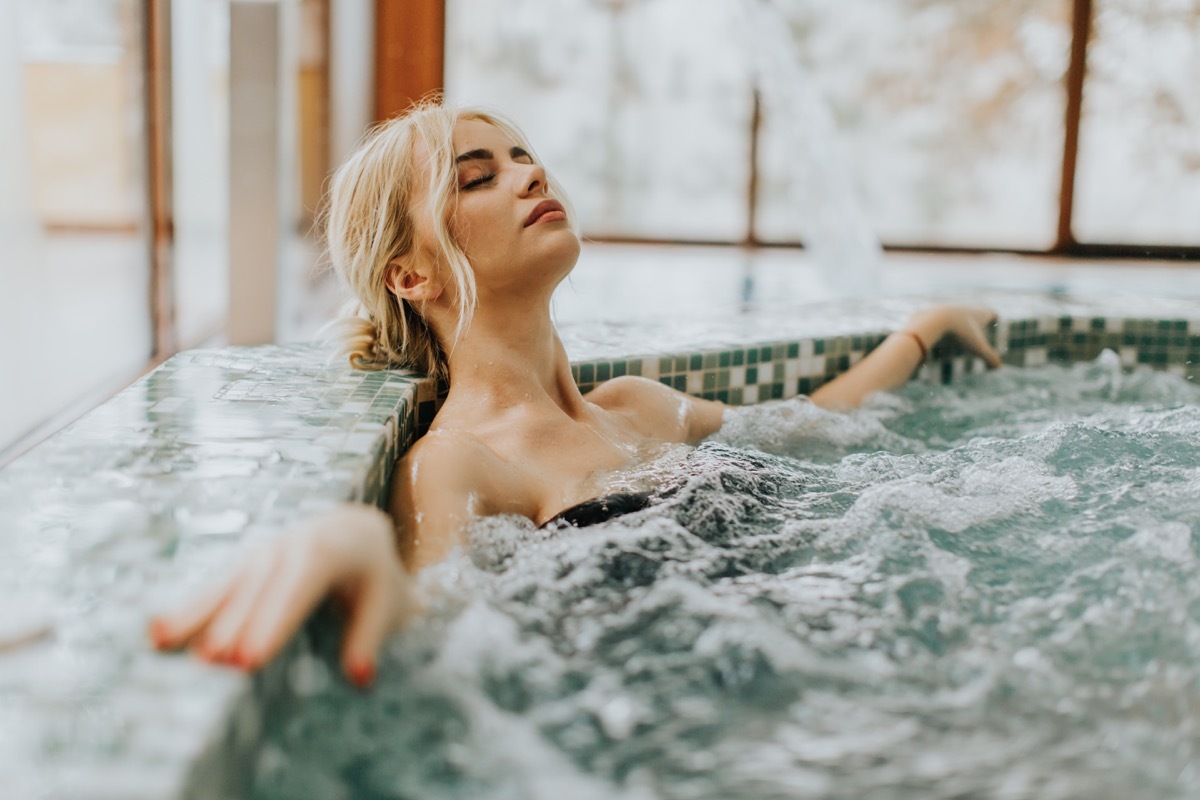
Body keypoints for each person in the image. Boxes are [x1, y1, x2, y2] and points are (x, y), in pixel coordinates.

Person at [149, 103, 1002, 688]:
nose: (528, 175)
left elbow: (813, 421)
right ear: (411, 274)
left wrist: (921, 329)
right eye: (477, 177)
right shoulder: (456, 466)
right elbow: (440, 629)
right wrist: (351, 538)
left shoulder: (642, 406)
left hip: (846, 655)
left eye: (523, 157)